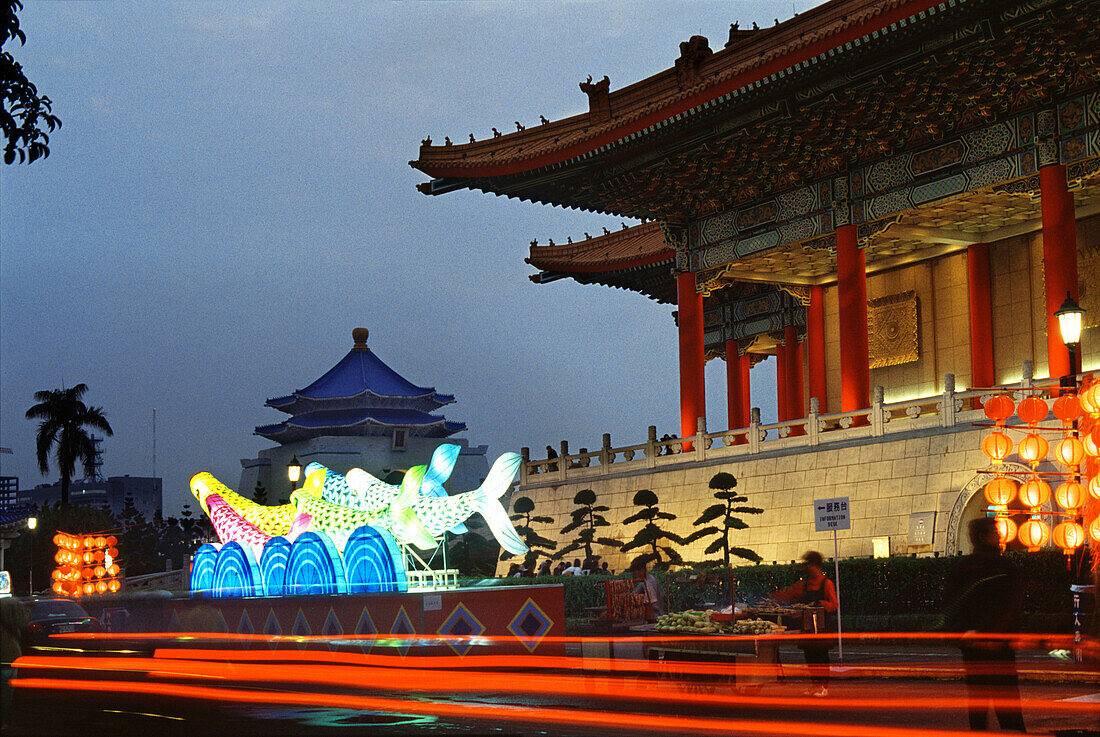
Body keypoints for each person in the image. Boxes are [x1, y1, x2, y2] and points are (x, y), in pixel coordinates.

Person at [943, 517, 1025, 733]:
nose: (999, 536)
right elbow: (1013, 605)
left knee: (978, 701)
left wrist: (963, 635)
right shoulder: (1005, 566)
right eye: (995, 532)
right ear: (982, 536)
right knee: (1007, 700)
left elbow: (951, 605)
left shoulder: (962, 568)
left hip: (973, 646)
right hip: (1000, 644)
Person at [772, 550, 838, 697]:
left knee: (821, 656)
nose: (808, 569)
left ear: (816, 566)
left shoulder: (826, 583)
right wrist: (775, 596)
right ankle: (815, 685)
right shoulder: (804, 584)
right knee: (810, 656)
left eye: (810, 566)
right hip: (807, 625)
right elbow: (789, 593)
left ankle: (823, 687)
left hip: (821, 626)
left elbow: (834, 604)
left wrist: (822, 604)